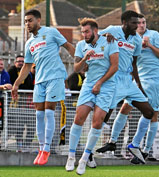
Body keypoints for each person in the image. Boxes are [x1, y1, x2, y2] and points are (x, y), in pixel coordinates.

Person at [96, 13, 159, 164]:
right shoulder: (123, 34)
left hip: (154, 79)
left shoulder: (153, 35)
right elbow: (96, 38)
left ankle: (143, 149)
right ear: (126, 23)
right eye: (137, 22)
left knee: (152, 113)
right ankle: (112, 141)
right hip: (129, 79)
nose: (140, 25)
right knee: (117, 110)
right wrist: (105, 36)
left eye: (142, 22)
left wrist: (149, 45)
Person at [11, 9, 75, 165]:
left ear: (39, 20)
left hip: (55, 77)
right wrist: (16, 84)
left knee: (48, 111)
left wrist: (79, 62)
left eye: (30, 20)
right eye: (26, 21)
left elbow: (68, 46)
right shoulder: (29, 43)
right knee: (38, 115)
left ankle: (47, 148)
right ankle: (41, 148)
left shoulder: (51, 32)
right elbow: (26, 66)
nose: (27, 24)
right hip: (39, 81)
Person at [64, 18, 119, 175]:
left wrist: (100, 83)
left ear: (95, 31)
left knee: (97, 122)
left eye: (87, 31)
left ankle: (84, 158)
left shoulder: (109, 41)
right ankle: (71, 156)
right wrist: (84, 59)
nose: (84, 34)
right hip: (89, 84)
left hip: (107, 85)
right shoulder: (81, 45)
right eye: (82, 32)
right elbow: (76, 67)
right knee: (78, 118)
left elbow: (115, 66)